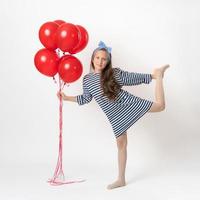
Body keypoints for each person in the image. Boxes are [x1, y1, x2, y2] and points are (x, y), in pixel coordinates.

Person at [57, 41, 170, 190]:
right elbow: (86, 98)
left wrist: (152, 77)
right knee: (121, 144)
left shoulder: (113, 74)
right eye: (97, 58)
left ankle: (159, 76)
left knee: (160, 106)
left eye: (104, 59)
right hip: (114, 116)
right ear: (92, 59)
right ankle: (121, 179)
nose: (100, 61)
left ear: (108, 61)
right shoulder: (87, 80)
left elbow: (131, 78)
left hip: (127, 103)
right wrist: (67, 98)